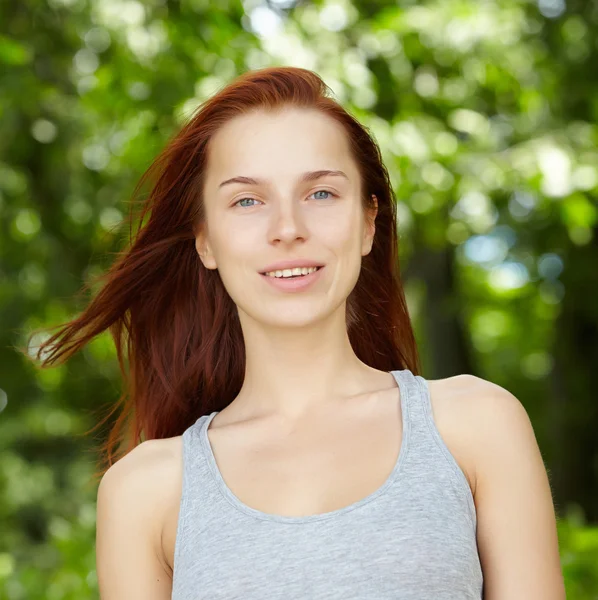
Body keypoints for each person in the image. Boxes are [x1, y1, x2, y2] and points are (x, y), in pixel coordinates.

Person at [32, 67, 565, 599]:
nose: (287, 228)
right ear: (206, 242)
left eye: (321, 194)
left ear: (367, 223)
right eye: (247, 200)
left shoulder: (476, 425)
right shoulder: (145, 491)